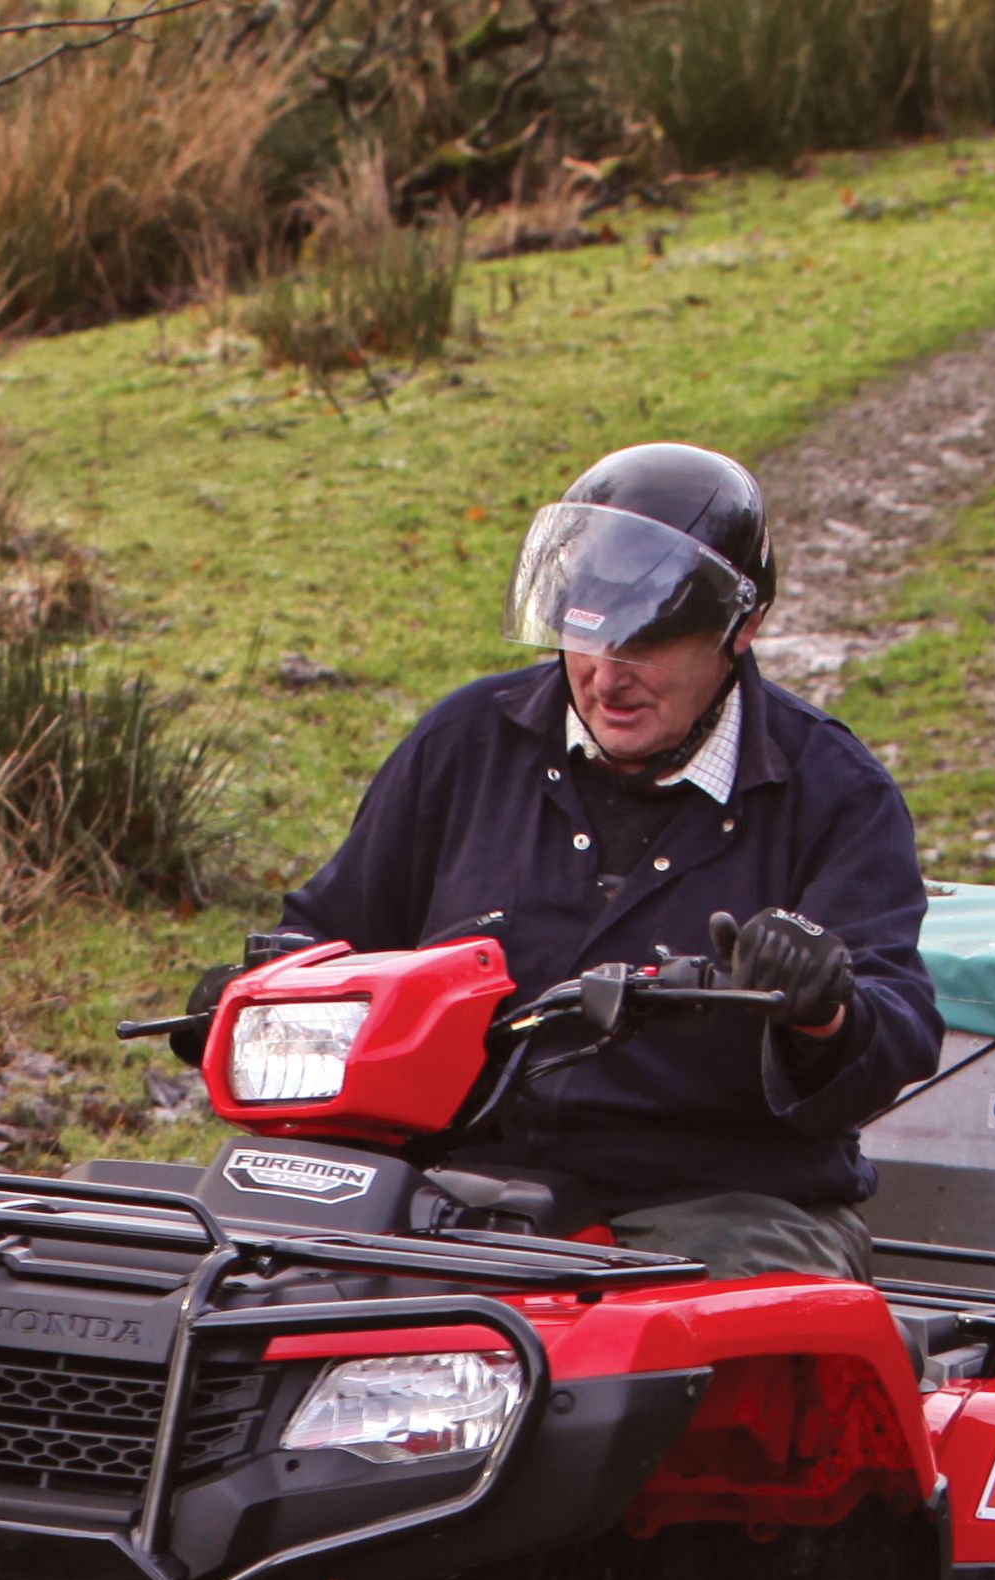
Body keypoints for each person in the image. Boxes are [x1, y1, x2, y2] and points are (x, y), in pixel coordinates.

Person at [247, 443, 937, 1276]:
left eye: (647, 644)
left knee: (715, 1343)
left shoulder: (835, 792)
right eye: (587, 638)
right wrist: (263, 984)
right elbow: (331, 935)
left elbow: (897, 1030)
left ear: (742, 629)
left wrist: (822, 1011)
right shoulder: (467, 742)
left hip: (719, 1204)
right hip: (451, 1179)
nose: (607, 680)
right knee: (240, 1293)